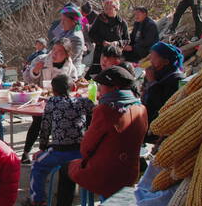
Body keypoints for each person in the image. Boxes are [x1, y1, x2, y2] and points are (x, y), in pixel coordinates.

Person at [60, 67, 148, 203]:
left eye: (102, 85)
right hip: (130, 174)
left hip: (105, 176)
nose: (99, 89)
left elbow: (86, 149)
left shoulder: (105, 110)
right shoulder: (141, 108)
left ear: (114, 88)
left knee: (66, 168)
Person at [28, 75, 94, 206]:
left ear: (53, 91)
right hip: (81, 152)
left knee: (36, 165)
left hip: (59, 152)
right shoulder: (84, 102)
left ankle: (38, 200)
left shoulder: (51, 102)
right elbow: (94, 117)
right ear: (74, 88)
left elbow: (45, 128)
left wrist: (42, 148)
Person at [21, 38, 78, 164]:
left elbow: (74, 82)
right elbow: (26, 79)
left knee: (57, 123)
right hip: (41, 100)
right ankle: (26, 152)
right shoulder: (41, 59)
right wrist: (35, 71)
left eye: (60, 51)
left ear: (67, 54)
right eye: (54, 50)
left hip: (60, 101)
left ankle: (51, 152)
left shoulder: (70, 66)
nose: (55, 54)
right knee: (38, 121)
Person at [141, 42, 184, 127]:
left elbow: (162, 105)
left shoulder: (176, 79)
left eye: (155, 58)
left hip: (156, 122)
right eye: (151, 57)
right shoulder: (156, 71)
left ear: (166, 61)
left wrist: (152, 81)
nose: (151, 61)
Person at [87, 0, 129, 78]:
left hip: (115, 55)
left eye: (110, 7)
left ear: (116, 8)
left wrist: (117, 43)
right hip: (100, 54)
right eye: (106, 7)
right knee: (96, 76)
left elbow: (127, 39)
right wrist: (102, 42)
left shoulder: (122, 23)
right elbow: (91, 34)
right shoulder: (100, 19)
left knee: (112, 76)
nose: (107, 10)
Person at [55, 4, 85, 69]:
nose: (61, 23)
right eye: (61, 20)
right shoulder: (65, 31)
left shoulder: (76, 38)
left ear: (74, 21)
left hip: (69, 72)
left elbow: (67, 59)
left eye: (64, 20)